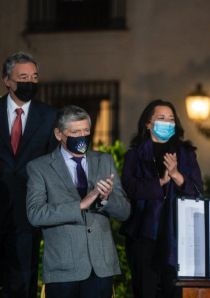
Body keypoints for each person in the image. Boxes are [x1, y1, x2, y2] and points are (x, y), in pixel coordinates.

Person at [26, 105, 130, 298]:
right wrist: (79, 205)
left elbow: (124, 212)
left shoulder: (104, 160)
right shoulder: (39, 168)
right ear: (59, 134)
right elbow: (35, 214)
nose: (82, 136)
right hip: (63, 270)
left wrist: (106, 200)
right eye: (75, 132)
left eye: (86, 131)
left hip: (101, 269)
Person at [121, 99, 203, 298]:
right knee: (145, 290)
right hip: (144, 236)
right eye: (161, 118)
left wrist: (177, 176)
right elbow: (129, 188)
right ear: (148, 124)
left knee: (175, 291)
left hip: (177, 237)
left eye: (171, 119)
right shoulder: (134, 155)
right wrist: (160, 182)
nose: (167, 122)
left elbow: (197, 192)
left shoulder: (186, 154)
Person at [0, 52, 57, 298]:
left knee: (24, 279)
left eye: (34, 77)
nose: (29, 83)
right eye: (23, 77)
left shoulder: (50, 116)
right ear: (7, 81)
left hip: (28, 211)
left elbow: (55, 164)